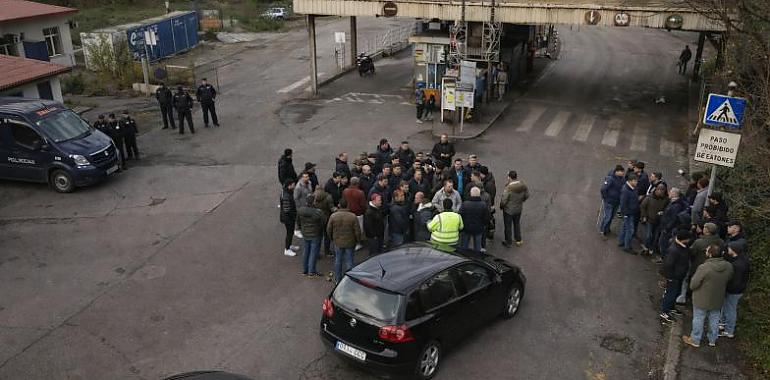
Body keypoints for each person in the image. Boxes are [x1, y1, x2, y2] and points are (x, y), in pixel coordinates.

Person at [682, 243, 734, 348]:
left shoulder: (704, 267)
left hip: (701, 298)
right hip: (718, 297)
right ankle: (712, 340)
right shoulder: (729, 266)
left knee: (699, 318)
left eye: (707, 251)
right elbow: (729, 278)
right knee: (715, 318)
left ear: (710, 254)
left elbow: (693, 284)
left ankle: (695, 339)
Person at [659, 230, 693, 324]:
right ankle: (664, 311)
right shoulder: (674, 250)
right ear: (684, 239)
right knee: (670, 294)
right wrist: (670, 277)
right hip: (674, 277)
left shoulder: (683, 247)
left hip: (679, 275)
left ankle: (670, 307)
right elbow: (668, 264)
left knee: (676, 292)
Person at [327, 198, 362, 283]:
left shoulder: (333, 216)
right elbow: (357, 231)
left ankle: (338, 279)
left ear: (339, 205)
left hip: (338, 242)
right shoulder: (352, 216)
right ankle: (349, 280)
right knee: (349, 261)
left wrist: (332, 238)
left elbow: (329, 229)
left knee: (338, 260)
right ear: (347, 205)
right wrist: (358, 240)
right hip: (350, 242)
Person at [721, 242, 749, 338]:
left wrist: (727, 289)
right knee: (728, 308)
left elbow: (735, 281)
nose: (728, 250)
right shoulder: (743, 260)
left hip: (733, 291)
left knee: (731, 310)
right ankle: (724, 324)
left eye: (729, 248)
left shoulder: (737, 265)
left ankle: (729, 330)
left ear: (734, 250)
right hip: (739, 289)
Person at [500, 170, 529, 247]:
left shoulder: (508, 188)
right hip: (518, 209)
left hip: (508, 210)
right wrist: (521, 200)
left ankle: (508, 241)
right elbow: (527, 195)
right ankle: (518, 239)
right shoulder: (523, 185)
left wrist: (501, 206)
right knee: (517, 223)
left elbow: (504, 200)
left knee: (508, 226)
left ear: (509, 177)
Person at [296, 195, 324, 277]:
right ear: (313, 202)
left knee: (306, 252)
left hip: (305, 233)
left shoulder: (300, 210)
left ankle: (305, 270)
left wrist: (301, 228)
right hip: (315, 234)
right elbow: (323, 222)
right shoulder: (318, 212)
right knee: (313, 253)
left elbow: (298, 221)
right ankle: (311, 271)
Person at [658, 187, 688, 260]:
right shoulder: (672, 202)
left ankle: (664, 259)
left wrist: (667, 228)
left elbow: (674, 218)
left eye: (670, 192)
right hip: (665, 226)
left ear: (674, 194)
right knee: (662, 243)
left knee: (663, 244)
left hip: (668, 229)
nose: (669, 193)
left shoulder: (676, 205)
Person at [640, 183, 669, 255]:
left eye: (662, 191)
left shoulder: (666, 199)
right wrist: (644, 216)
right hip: (649, 220)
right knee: (648, 235)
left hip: (658, 221)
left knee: (655, 236)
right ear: (656, 190)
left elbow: (667, 208)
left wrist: (663, 212)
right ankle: (645, 247)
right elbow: (643, 206)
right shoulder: (649, 197)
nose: (660, 192)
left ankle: (650, 248)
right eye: (659, 190)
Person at [459, 187, 491, 251]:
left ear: (471, 194)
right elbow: (487, 217)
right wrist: (484, 225)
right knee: (477, 247)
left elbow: (460, 215)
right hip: (478, 228)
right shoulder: (483, 205)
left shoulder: (465, 204)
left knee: (464, 246)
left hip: (466, 228)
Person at [599, 165, 625, 237]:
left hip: (617, 202)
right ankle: (602, 230)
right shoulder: (610, 179)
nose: (623, 173)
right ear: (617, 171)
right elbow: (603, 189)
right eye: (622, 172)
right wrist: (605, 197)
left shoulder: (622, 179)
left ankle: (607, 229)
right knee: (607, 217)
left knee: (611, 217)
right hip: (609, 202)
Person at [618, 174, 639, 254]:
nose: (636, 182)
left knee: (624, 227)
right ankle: (627, 247)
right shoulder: (626, 190)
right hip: (628, 213)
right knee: (630, 230)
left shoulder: (633, 188)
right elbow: (623, 203)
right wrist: (625, 214)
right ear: (630, 181)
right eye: (635, 181)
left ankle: (621, 242)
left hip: (631, 212)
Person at [313, 186, 335, 258]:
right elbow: (331, 208)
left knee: (318, 236)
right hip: (326, 218)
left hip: (317, 219)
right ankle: (327, 251)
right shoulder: (328, 197)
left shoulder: (313, 197)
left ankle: (316, 253)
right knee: (327, 236)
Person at [279, 179, 299, 257]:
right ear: (289, 185)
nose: (294, 186)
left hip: (288, 217)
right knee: (289, 233)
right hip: (288, 218)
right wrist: (295, 215)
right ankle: (287, 249)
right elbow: (287, 210)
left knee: (290, 232)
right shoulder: (286, 196)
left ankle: (289, 245)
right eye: (293, 184)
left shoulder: (286, 192)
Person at [293, 172, 313, 238]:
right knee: (299, 218)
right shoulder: (298, 187)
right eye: (305, 177)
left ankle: (304, 228)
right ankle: (297, 230)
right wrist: (299, 207)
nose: (307, 178)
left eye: (307, 176)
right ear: (302, 178)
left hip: (308, 204)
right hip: (301, 206)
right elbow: (296, 198)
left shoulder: (309, 183)